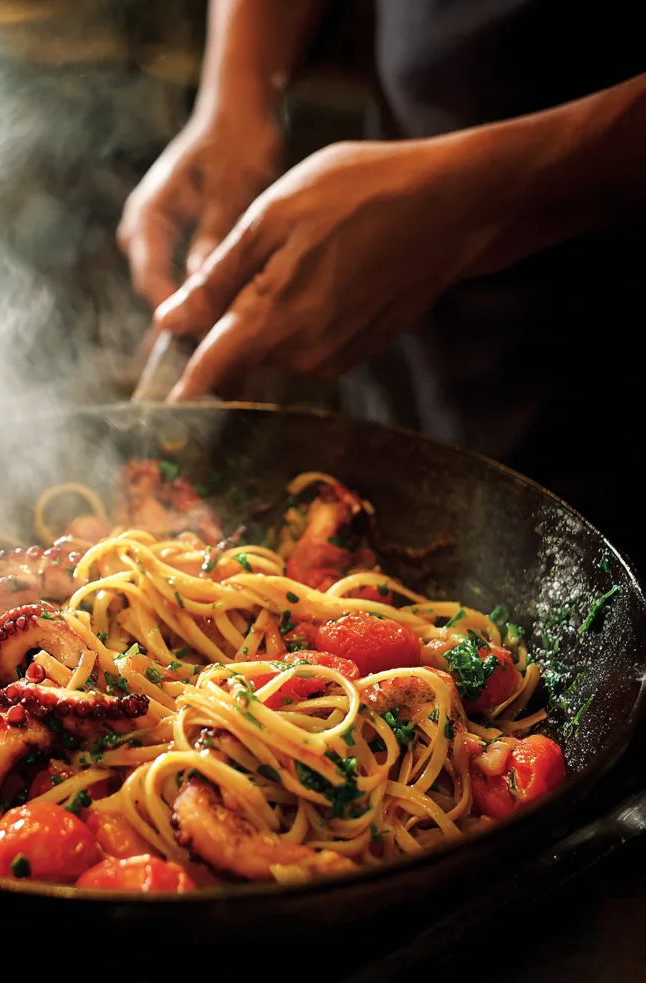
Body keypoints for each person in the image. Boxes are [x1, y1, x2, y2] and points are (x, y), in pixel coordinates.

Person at [117, 1, 645, 562]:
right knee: (386, 516)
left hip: (617, 359)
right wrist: (236, 93)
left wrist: (474, 197)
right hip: (400, 277)